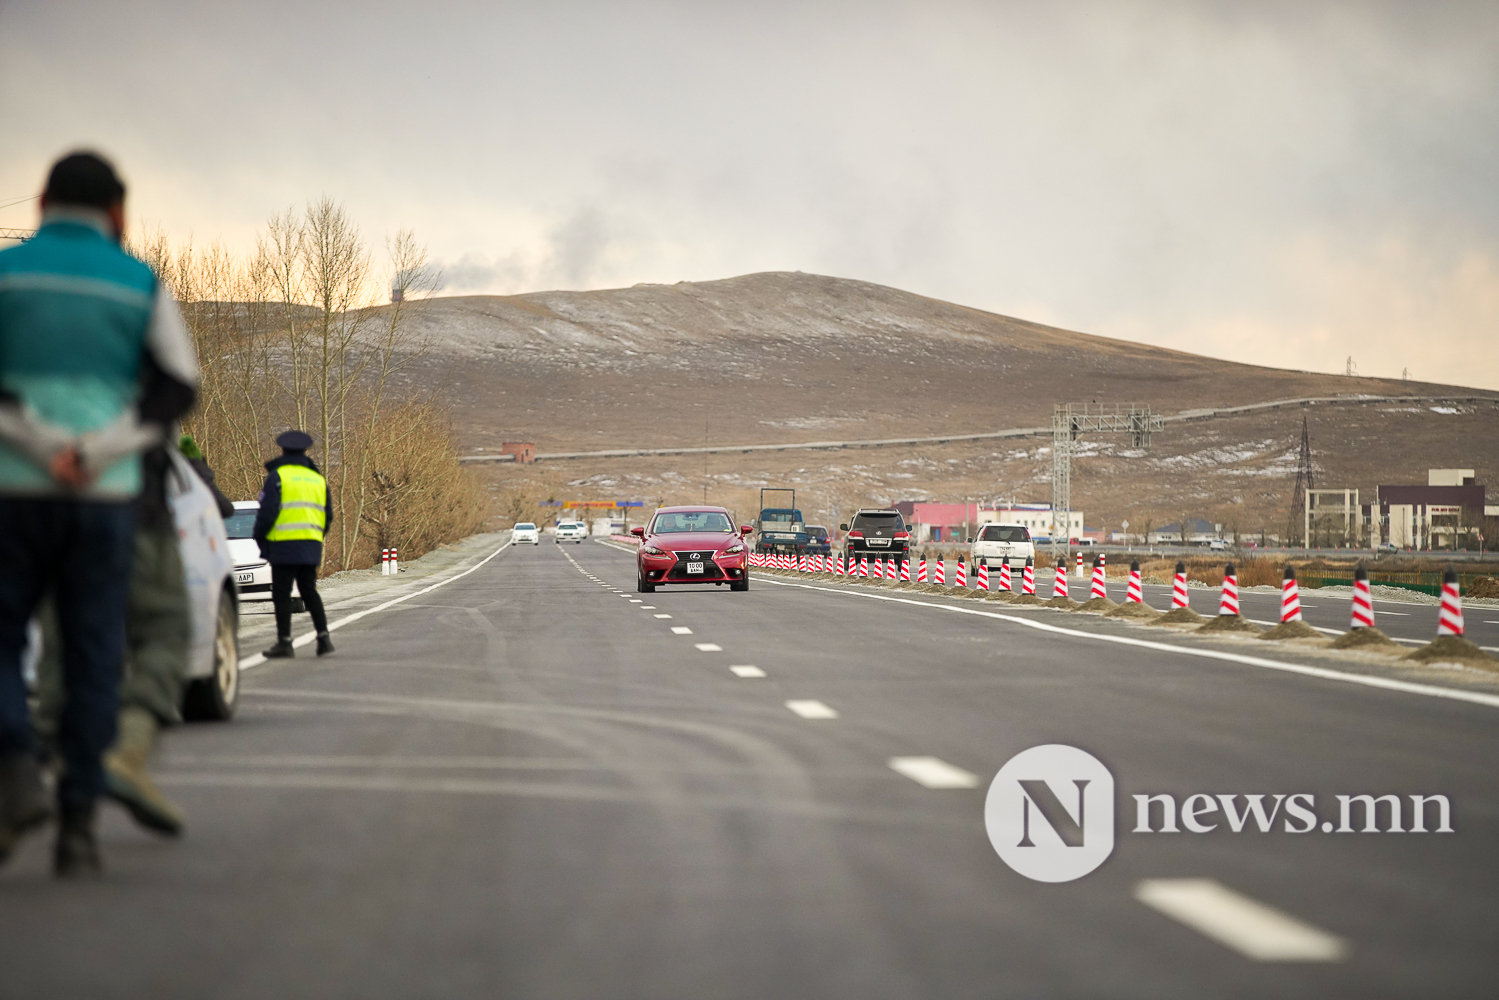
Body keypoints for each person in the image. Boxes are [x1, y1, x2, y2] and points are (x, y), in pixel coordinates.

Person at [0, 152, 198, 877]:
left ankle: (17, 767)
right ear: (118, 211)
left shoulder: (7, 274)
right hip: (107, 497)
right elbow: (177, 386)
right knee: (90, 656)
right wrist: (97, 448)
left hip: (14, 491)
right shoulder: (140, 283)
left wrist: (40, 443)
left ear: (42, 202)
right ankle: (77, 829)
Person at [254, 429, 334, 658]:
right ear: (304, 451)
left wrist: (260, 537)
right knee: (309, 590)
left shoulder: (278, 477)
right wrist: (317, 535)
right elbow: (328, 515)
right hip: (310, 544)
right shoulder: (318, 479)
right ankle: (323, 638)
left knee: (282, 593)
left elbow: (267, 513)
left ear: (283, 450)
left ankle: (285, 643)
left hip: (283, 546)